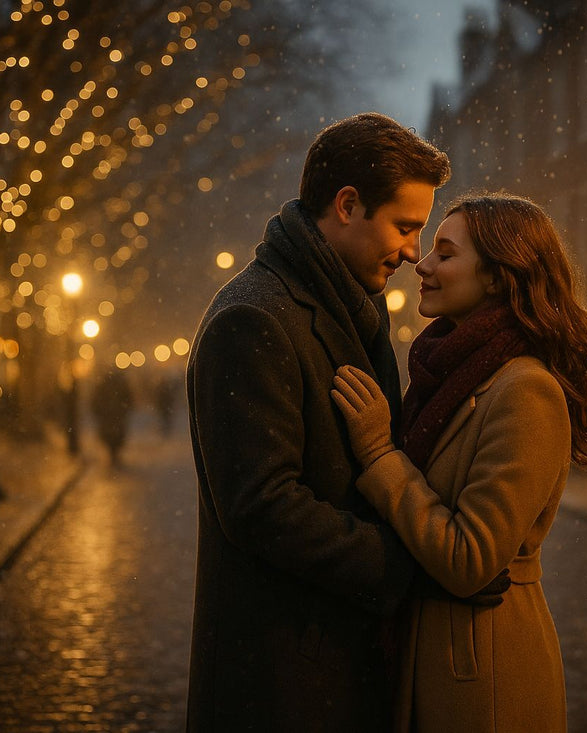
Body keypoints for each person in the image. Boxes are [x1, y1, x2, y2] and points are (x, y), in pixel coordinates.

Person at [187, 112, 475, 731]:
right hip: (284, 679)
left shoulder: (346, 302)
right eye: (404, 228)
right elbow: (263, 507)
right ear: (347, 204)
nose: (411, 253)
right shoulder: (256, 318)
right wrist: (411, 568)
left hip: (333, 668)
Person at [332, 192, 587, 731]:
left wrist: (377, 452)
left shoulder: (525, 390)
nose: (423, 263)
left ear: (497, 277)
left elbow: (470, 560)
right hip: (434, 653)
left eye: (445, 252)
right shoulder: (452, 373)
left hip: (484, 672)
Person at [90, 366, 134, 466]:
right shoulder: (120, 385)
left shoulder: (102, 385)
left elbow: (95, 401)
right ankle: (113, 453)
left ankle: (113, 453)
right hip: (114, 416)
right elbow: (129, 399)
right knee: (115, 436)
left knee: (110, 436)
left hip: (109, 416)